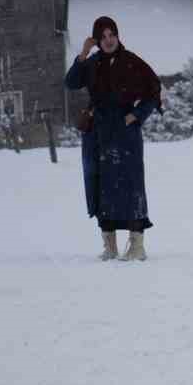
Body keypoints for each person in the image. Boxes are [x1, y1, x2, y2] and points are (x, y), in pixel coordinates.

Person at [64, 15, 161, 261]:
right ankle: (110, 247)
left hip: (125, 133)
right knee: (102, 185)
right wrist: (83, 53)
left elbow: (153, 90)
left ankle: (137, 246)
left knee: (131, 186)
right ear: (97, 40)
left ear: (118, 35)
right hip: (98, 133)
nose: (108, 40)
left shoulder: (132, 62)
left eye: (112, 35)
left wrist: (136, 115)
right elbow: (71, 82)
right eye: (103, 37)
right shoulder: (92, 62)